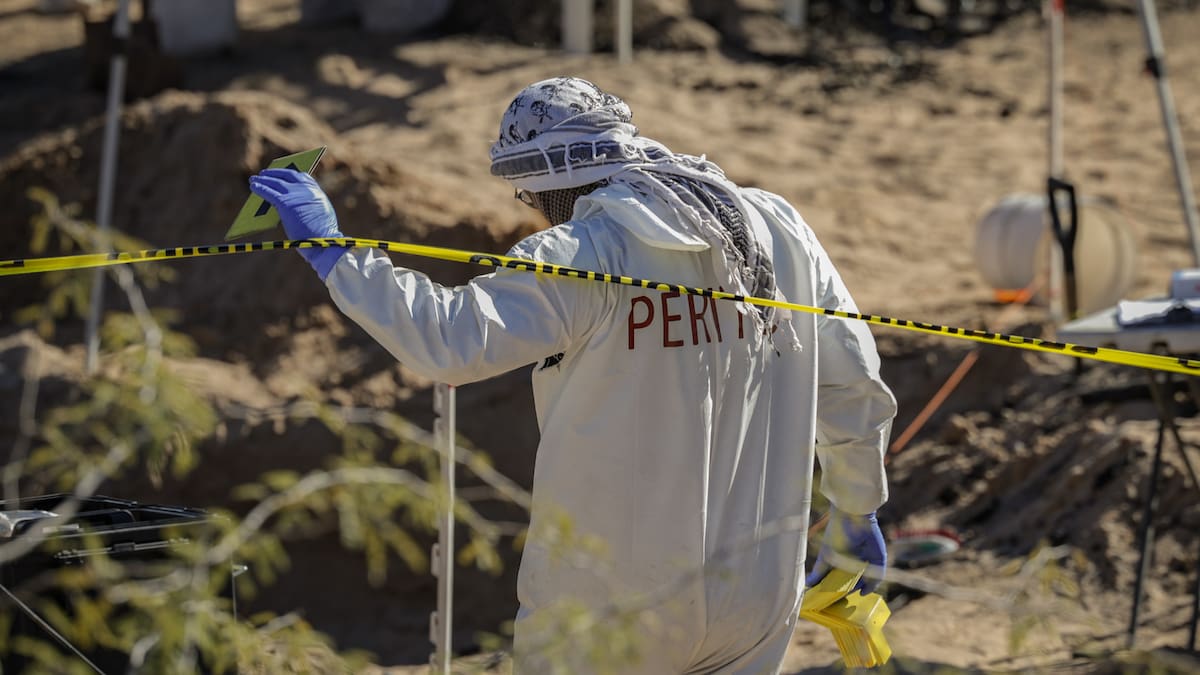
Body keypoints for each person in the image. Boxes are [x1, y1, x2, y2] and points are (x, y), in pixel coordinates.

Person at [250, 77, 896, 674]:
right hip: (756, 589)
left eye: (527, 196)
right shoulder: (776, 229)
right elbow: (854, 380)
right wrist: (857, 506)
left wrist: (335, 253)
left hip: (611, 602)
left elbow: (449, 341)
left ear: (548, 181)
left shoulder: (584, 251)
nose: (532, 210)